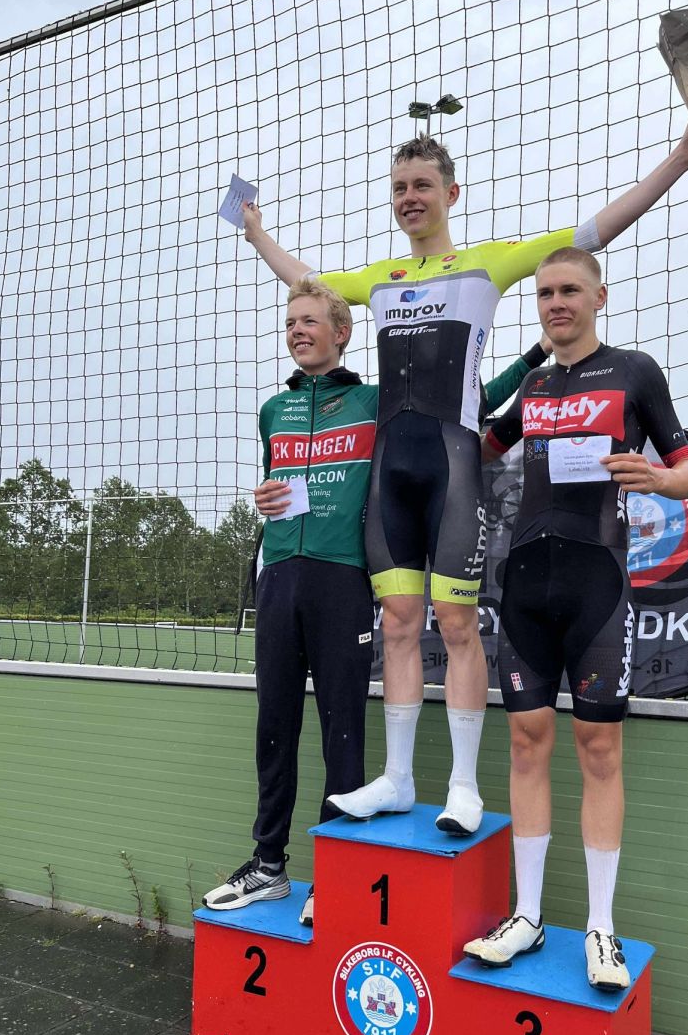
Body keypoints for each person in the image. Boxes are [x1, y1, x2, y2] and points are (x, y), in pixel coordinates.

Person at [242, 106, 688, 838]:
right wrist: (256, 234)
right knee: (399, 622)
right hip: (392, 473)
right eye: (399, 187)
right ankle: (398, 779)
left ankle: (462, 786)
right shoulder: (379, 279)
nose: (409, 197)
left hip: (453, 464)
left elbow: (591, 232)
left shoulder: (488, 264)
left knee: (458, 622)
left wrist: (682, 158)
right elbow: (305, 279)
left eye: (422, 185)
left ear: (451, 193)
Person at [203, 279, 546, 924]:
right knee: (274, 724)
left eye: (310, 321)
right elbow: (277, 484)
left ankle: (334, 875)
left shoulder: (375, 400)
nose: (298, 331)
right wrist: (263, 497)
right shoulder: (273, 410)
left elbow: (470, 397)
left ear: (342, 332)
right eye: (291, 322)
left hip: (342, 577)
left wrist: (535, 357)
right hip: (278, 575)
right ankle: (269, 865)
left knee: (343, 729)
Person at [462, 247, 688, 990]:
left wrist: (657, 477)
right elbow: (482, 447)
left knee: (598, 750)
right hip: (524, 584)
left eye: (569, 290)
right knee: (525, 744)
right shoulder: (534, 383)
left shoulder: (635, 372)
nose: (556, 302)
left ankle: (601, 927)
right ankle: (527, 916)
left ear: (599, 296)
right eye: (545, 293)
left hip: (598, 583)